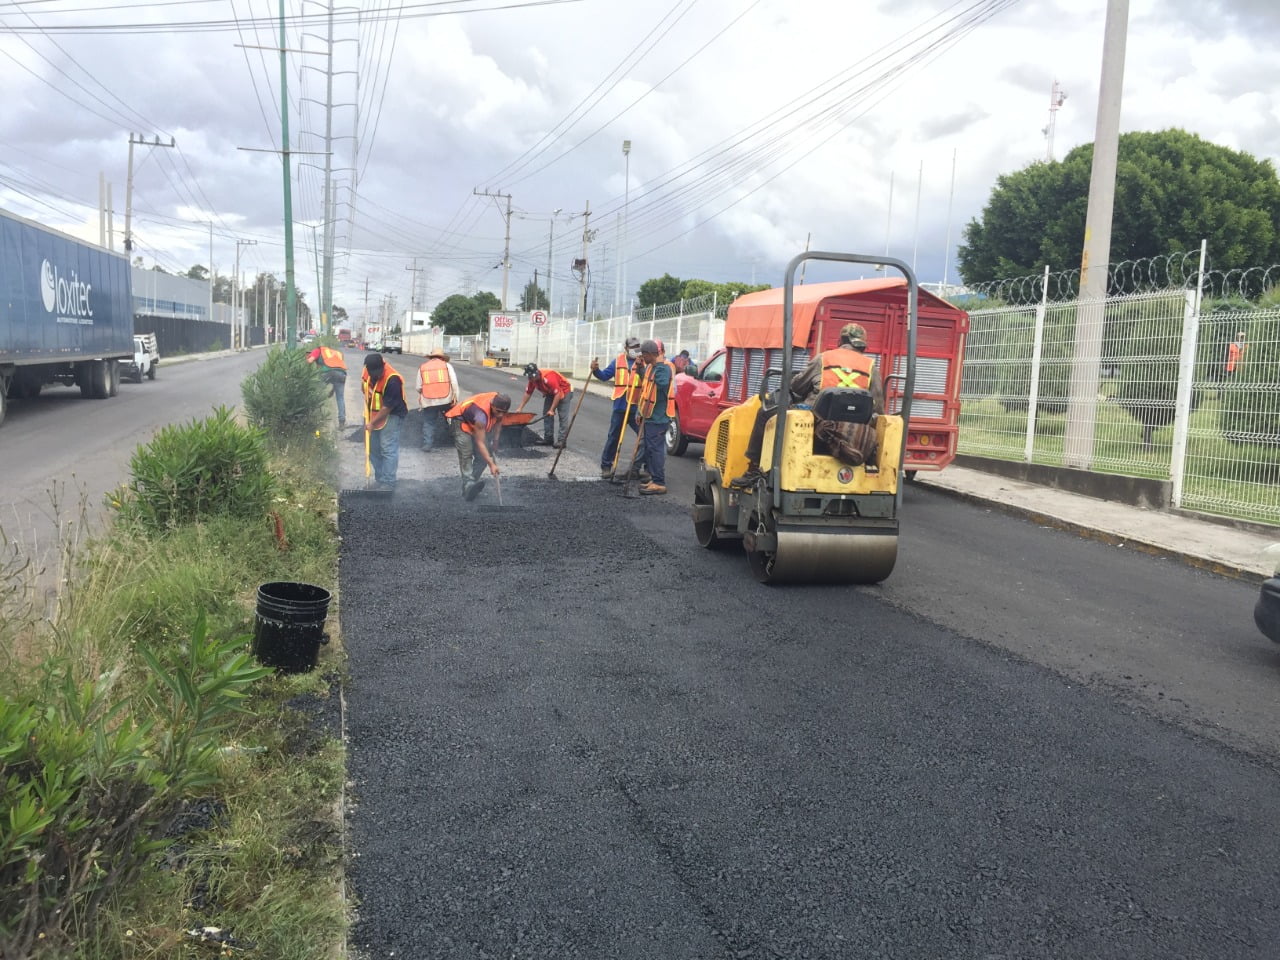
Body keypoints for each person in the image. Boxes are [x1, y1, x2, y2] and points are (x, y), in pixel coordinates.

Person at [732, 323, 885, 488]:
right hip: (854, 431)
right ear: (862, 345)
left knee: (764, 414)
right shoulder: (871, 367)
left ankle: (754, 469)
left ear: (841, 341)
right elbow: (877, 407)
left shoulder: (824, 358)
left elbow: (797, 386)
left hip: (818, 424)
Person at [590, 336, 642, 478]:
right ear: (626, 348)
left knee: (643, 438)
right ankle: (606, 466)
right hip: (620, 406)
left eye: (638, 346)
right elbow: (604, 376)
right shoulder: (618, 361)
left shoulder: (643, 362)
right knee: (613, 437)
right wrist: (595, 370)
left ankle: (639, 468)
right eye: (632, 347)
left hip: (636, 408)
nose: (635, 350)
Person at [444, 391, 510, 501]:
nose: (500, 415)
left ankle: (470, 486)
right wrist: (492, 464)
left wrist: (495, 441)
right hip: (460, 421)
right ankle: (468, 484)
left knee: (483, 458)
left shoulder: (500, 402)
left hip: (475, 424)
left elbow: (499, 422)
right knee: (467, 452)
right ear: (492, 405)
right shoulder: (481, 416)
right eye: (498, 411)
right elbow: (480, 443)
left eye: (504, 412)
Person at [361, 352, 407, 491]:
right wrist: (368, 419)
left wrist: (372, 423)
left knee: (387, 448)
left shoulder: (392, 379)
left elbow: (387, 407)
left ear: (383, 365)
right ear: (368, 369)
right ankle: (380, 479)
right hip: (373, 415)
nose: (377, 375)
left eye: (379, 371)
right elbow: (365, 391)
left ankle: (388, 482)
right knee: (373, 448)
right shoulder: (366, 373)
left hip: (392, 414)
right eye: (373, 372)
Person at [633, 339, 673, 496]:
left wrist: (659, 365)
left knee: (656, 450)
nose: (642, 357)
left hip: (659, 418)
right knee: (650, 449)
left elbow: (662, 384)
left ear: (650, 354)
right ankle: (654, 478)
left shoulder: (663, 368)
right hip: (649, 416)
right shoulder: (650, 367)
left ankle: (659, 482)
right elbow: (647, 383)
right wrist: (641, 368)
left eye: (644, 355)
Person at [516, 363, 573, 447]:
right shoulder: (532, 380)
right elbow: (528, 393)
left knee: (562, 416)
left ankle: (562, 441)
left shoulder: (548, 377)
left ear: (536, 374)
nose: (530, 379)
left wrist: (552, 410)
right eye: (529, 377)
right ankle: (548, 439)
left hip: (564, 391)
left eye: (531, 377)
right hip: (551, 392)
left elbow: (557, 394)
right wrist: (520, 408)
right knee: (546, 413)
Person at [415, 348, 459, 450]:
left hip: (429, 400)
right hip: (446, 399)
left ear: (431, 357)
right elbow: (454, 383)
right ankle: (456, 440)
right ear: (442, 357)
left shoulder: (423, 367)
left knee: (429, 422)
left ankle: (428, 444)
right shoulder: (447, 366)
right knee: (452, 418)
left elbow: (418, 387)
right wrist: (455, 397)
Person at [306, 343, 348, 427]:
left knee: (318, 394)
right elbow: (336, 370)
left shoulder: (318, 350)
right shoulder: (336, 353)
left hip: (326, 373)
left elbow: (310, 361)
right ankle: (342, 422)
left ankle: (316, 417)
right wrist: (333, 390)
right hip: (341, 374)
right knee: (340, 398)